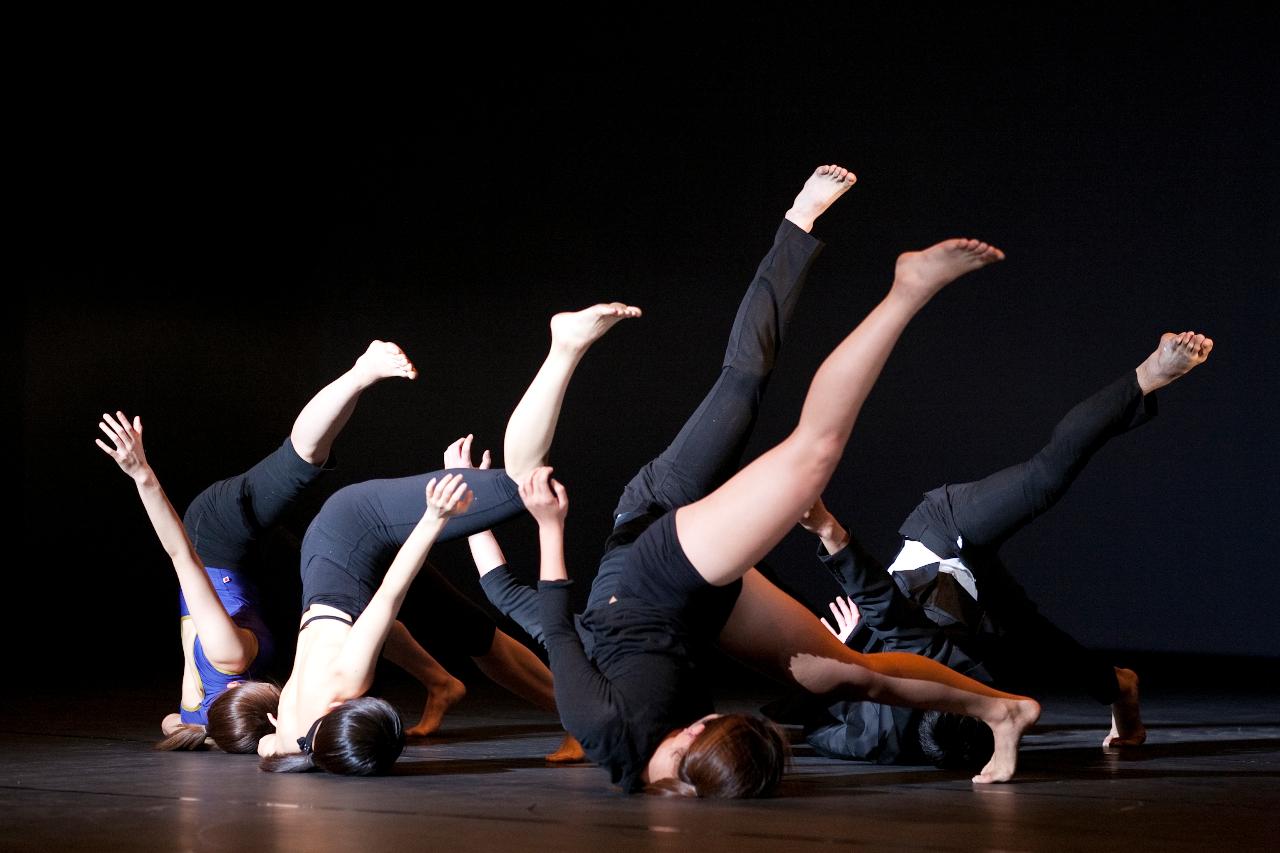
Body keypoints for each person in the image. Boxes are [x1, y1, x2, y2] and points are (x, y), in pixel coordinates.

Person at [472, 165, 1039, 797]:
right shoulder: (676, 775)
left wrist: (543, 526)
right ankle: (1002, 710)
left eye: (703, 727)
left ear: (688, 747)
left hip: (652, 566)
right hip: (695, 603)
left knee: (808, 447)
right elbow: (522, 603)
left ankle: (899, 283)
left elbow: (550, 623)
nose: (707, 718)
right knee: (850, 674)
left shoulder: (600, 724)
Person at [769, 331, 1213, 766]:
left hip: (941, 535)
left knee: (1043, 479)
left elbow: (816, 707)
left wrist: (841, 660)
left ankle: (1146, 376)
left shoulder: (877, 731)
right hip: (970, 612)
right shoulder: (976, 687)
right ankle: (1120, 686)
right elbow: (890, 620)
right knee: (1036, 643)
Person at [255, 303, 642, 773]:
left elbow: (391, 593)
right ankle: (567, 714)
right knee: (475, 636)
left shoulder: (344, 682)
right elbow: (267, 749)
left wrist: (436, 517)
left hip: (354, 531)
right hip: (341, 570)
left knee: (520, 484)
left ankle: (565, 346)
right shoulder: (291, 739)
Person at [96, 341, 453, 751]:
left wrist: (142, 474)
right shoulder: (196, 720)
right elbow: (171, 723)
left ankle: (362, 370)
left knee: (299, 465)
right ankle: (439, 681)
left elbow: (182, 556)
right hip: (255, 575)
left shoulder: (226, 655)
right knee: (342, 606)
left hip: (212, 538)